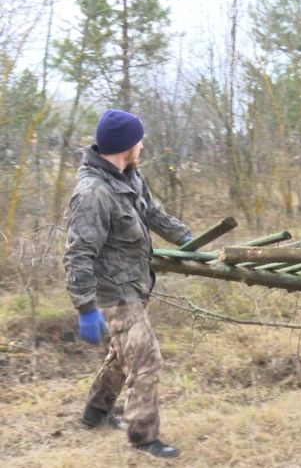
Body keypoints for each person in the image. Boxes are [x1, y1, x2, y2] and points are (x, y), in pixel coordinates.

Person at [63, 109, 193, 458]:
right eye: (139, 140)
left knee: (122, 357)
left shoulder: (130, 176)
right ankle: (144, 437)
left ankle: (95, 413)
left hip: (136, 284)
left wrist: (184, 238)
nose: (142, 145)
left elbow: (151, 212)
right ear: (124, 145)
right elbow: (78, 255)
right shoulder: (93, 194)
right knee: (146, 361)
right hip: (114, 295)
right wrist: (86, 308)